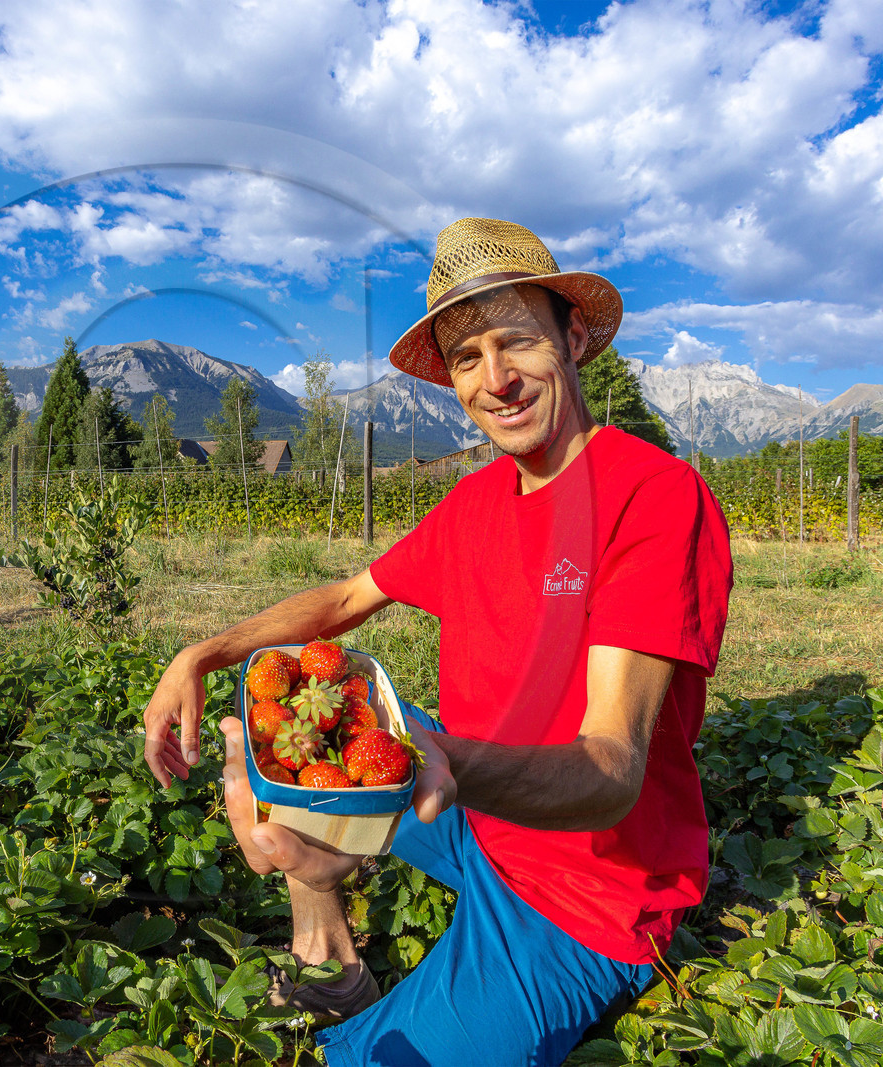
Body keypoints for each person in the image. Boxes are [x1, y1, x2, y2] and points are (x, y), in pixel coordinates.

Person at [141, 218, 733, 1065]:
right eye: (466, 357)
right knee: (292, 750)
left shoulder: (652, 496)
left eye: (516, 341)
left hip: (589, 889)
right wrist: (204, 653)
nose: (496, 380)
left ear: (572, 338)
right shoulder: (476, 503)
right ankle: (329, 958)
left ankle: (355, 993)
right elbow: (346, 599)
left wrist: (441, 761)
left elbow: (611, 772)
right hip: (468, 803)